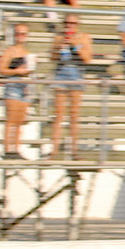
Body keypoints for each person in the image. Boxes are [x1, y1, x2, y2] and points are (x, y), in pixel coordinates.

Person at [48, 15, 93, 158]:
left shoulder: (84, 37)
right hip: (61, 76)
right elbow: (52, 57)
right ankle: (54, 150)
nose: (70, 26)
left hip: (76, 77)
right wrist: (59, 47)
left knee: (74, 116)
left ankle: (74, 151)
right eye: (67, 23)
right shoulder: (59, 38)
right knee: (59, 115)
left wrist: (75, 46)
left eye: (73, 23)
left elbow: (88, 59)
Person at [0, 22, 35, 159]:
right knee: (11, 120)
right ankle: (8, 149)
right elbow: (1, 69)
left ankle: (16, 148)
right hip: (13, 84)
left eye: (23, 33)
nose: (21, 36)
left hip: (24, 85)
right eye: (18, 33)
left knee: (20, 121)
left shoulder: (27, 52)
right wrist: (16, 71)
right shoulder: (10, 51)